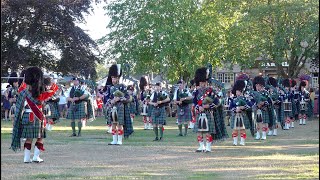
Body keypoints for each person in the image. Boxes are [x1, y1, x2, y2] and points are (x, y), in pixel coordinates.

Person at [11, 66, 58, 163]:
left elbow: (19, 107)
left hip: (26, 117)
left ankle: (26, 158)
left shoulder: (23, 92)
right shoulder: (42, 93)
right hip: (38, 118)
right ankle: (36, 157)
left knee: (29, 138)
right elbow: (52, 91)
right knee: (40, 137)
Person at [193, 67, 220, 152]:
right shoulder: (196, 92)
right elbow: (194, 102)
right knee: (199, 131)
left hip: (208, 113)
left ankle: (208, 147)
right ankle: (201, 146)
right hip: (199, 113)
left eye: (204, 82)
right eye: (201, 82)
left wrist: (208, 106)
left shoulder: (211, 91)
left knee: (208, 131)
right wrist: (199, 107)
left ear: (206, 82)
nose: (202, 84)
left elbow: (217, 102)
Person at [107, 64, 134, 145]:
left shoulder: (123, 86)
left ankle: (119, 140)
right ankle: (114, 140)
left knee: (119, 124)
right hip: (113, 107)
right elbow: (109, 98)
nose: (113, 80)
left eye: (114, 78)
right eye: (112, 78)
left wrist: (120, 99)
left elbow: (127, 97)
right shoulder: (111, 88)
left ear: (118, 78)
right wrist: (111, 101)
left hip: (121, 107)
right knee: (113, 124)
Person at [229, 80, 253, 146]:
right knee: (235, 129)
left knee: (242, 129)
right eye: (236, 91)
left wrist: (243, 107)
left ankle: (242, 141)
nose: (237, 92)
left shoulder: (245, 98)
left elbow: (250, 106)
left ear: (242, 91)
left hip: (243, 115)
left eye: (238, 91)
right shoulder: (233, 99)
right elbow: (230, 107)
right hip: (235, 115)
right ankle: (235, 141)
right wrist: (235, 110)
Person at [252, 76, 271, 140]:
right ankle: (258, 134)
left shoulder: (265, 92)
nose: (257, 87)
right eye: (256, 85)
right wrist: (256, 106)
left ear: (261, 85)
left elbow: (268, 101)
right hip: (257, 110)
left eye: (258, 85)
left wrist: (263, 103)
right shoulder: (254, 93)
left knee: (263, 123)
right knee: (257, 123)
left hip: (264, 109)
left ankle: (264, 134)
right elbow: (252, 101)